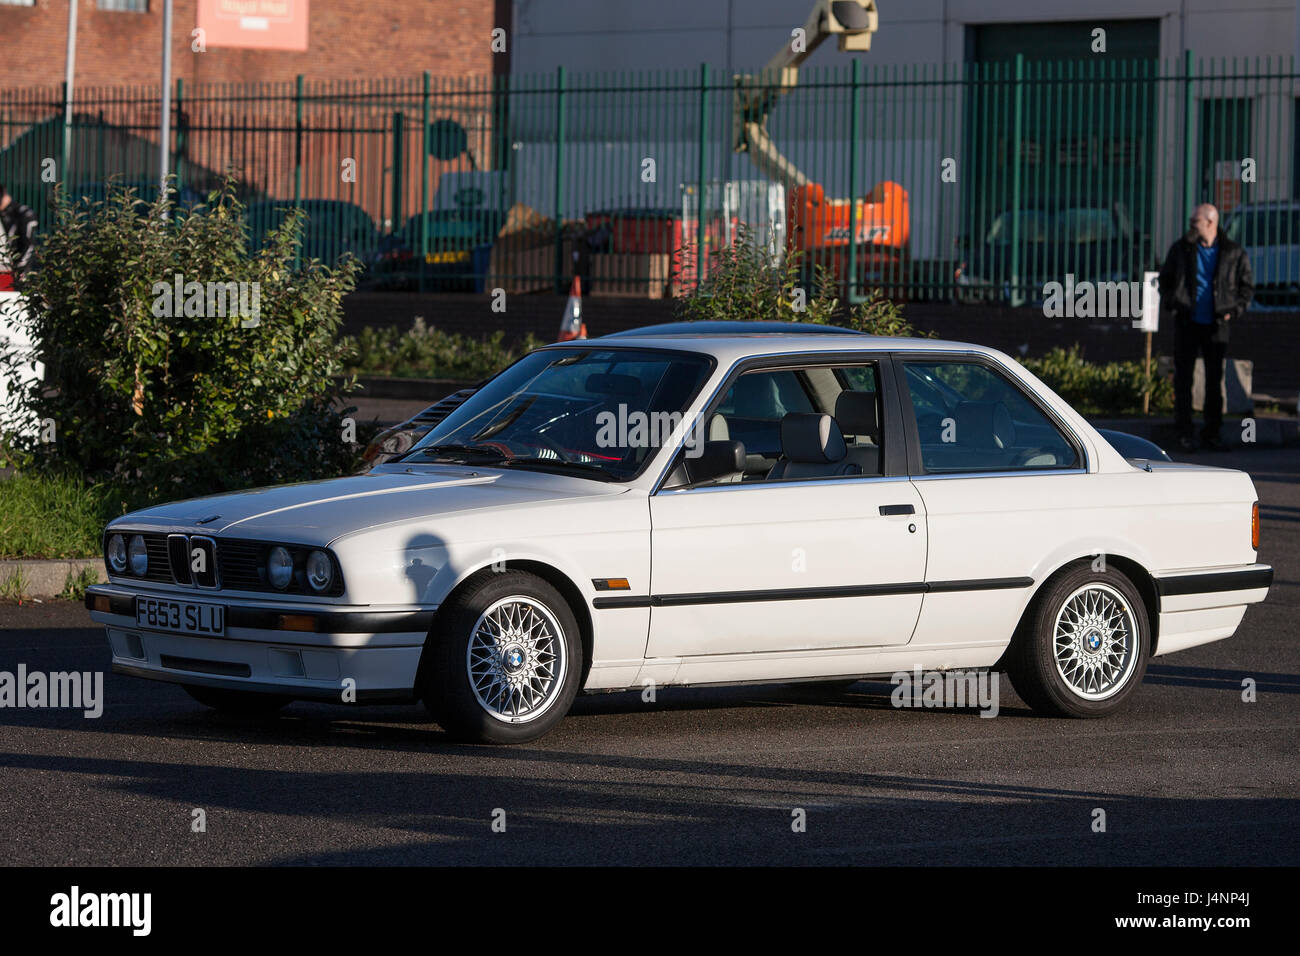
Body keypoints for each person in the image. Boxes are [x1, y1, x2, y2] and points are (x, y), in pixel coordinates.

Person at [1157, 203, 1254, 452]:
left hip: (1217, 324)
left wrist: (1234, 310)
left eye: (1195, 222)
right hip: (1187, 321)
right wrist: (1173, 304)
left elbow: (1247, 287)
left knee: (1214, 380)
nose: (1191, 226)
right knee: (1183, 379)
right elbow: (1165, 280)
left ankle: (1212, 433)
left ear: (1211, 222)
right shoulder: (1181, 249)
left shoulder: (1232, 252)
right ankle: (1184, 433)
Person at [0, 183, 38, 291]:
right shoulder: (4, 214)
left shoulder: (23, 214)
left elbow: (29, 244)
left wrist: (20, 268)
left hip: (21, 268)